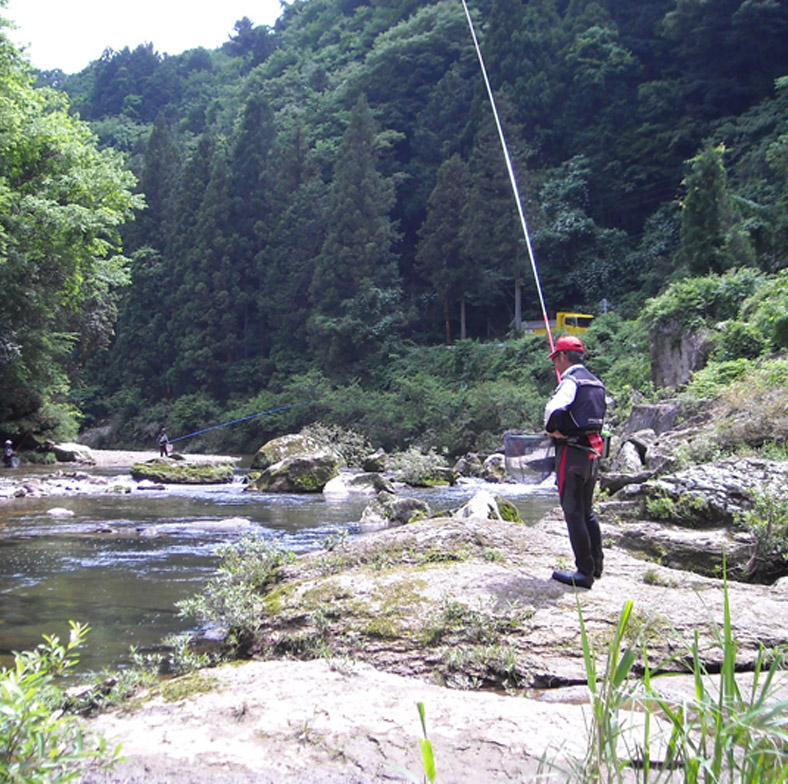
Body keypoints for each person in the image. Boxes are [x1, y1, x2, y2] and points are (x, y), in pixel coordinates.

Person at [544, 335, 606, 589]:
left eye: (555, 359)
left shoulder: (570, 382)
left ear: (562, 357)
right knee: (587, 511)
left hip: (571, 453)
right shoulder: (597, 383)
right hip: (592, 453)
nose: (555, 364)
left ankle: (583, 572)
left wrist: (551, 431)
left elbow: (552, 409)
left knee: (573, 512)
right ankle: (597, 565)